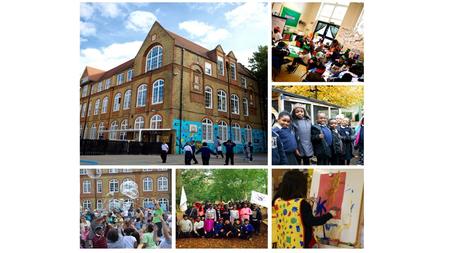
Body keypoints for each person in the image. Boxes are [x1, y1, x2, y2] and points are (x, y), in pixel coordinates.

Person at [273, 170, 336, 248]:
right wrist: (329, 215)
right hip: (299, 245)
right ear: (301, 186)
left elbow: (290, 205)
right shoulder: (302, 204)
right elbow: (312, 221)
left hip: (284, 243)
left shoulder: (278, 201)